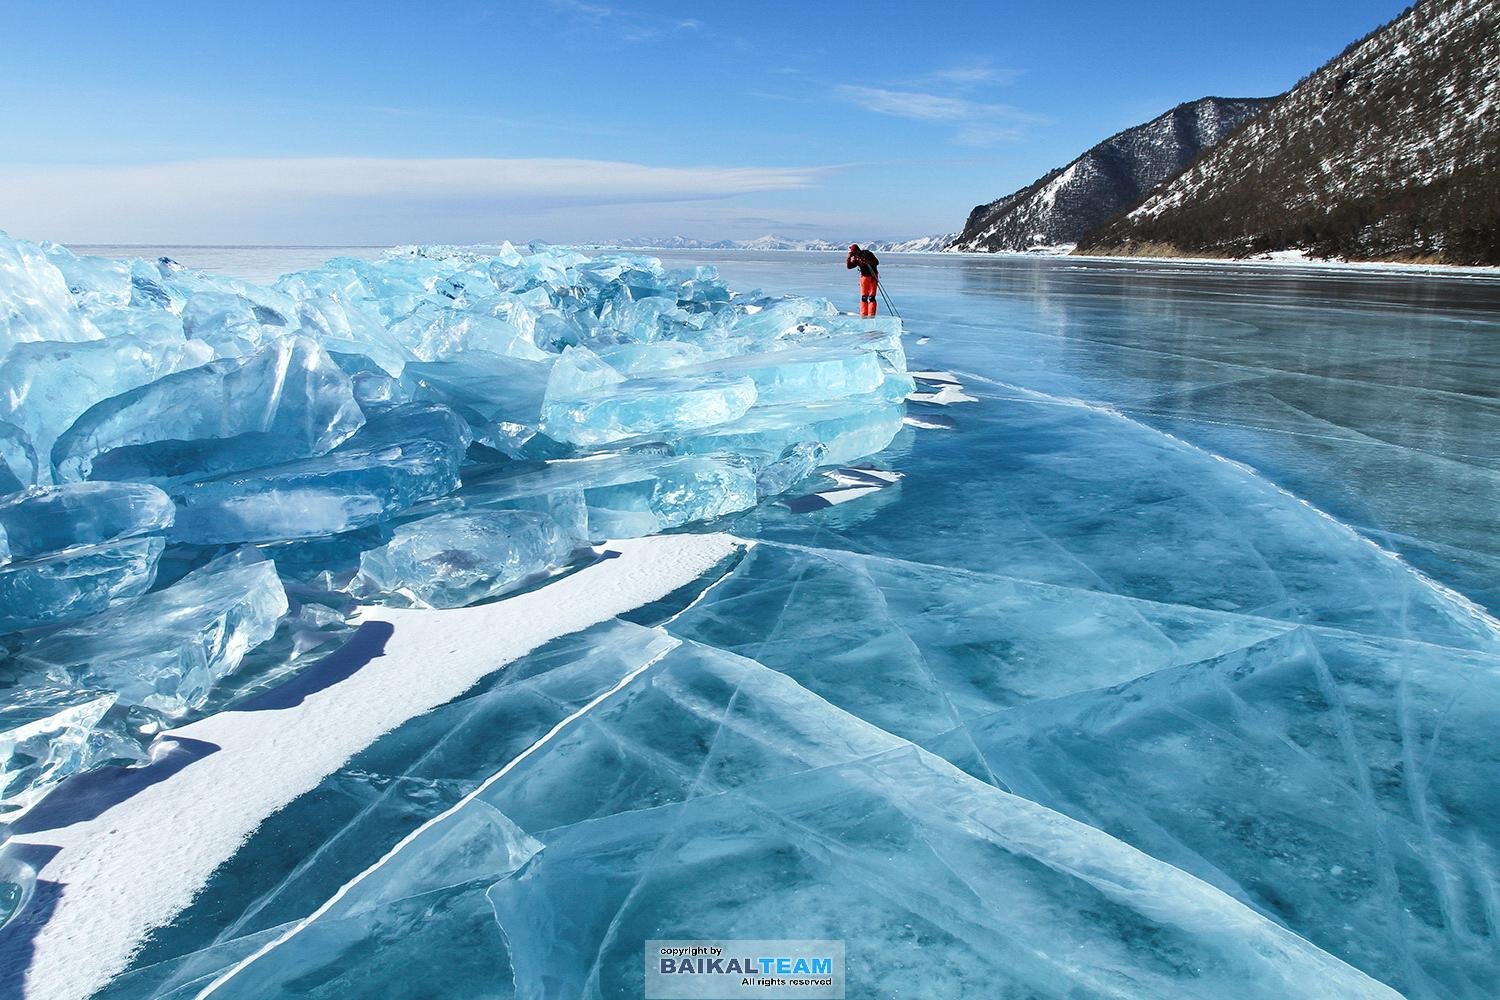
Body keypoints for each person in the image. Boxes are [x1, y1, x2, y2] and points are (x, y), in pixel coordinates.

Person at [846, 244, 880, 317]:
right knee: (866, 297)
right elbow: (849, 266)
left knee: (870, 297)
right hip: (866, 277)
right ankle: (864, 315)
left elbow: (876, 262)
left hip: (872, 276)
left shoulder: (867, 253)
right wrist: (849, 258)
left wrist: (866, 261)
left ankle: (870, 315)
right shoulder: (856, 258)